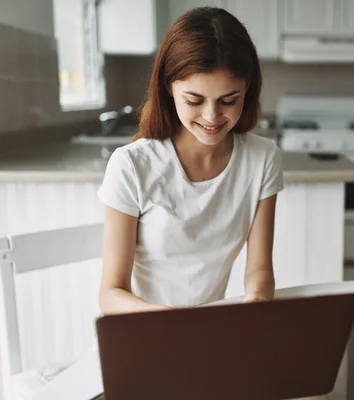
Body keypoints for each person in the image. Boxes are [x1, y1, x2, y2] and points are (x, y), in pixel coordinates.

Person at [97, 7, 283, 315]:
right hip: (145, 333)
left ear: (247, 90)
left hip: (210, 333)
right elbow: (110, 294)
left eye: (228, 100)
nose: (212, 117)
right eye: (194, 100)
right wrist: (173, 323)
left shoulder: (262, 159)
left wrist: (256, 306)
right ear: (169, 88)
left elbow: (260, 268)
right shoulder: (131, 165)